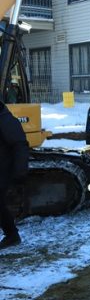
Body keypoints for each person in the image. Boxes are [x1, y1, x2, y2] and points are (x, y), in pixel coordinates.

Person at [0, 100, 28, 249]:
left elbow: (20, 145)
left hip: (3, 169)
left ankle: (12, 235)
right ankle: (11, 235)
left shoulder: (5, 119)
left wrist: (19, 173)